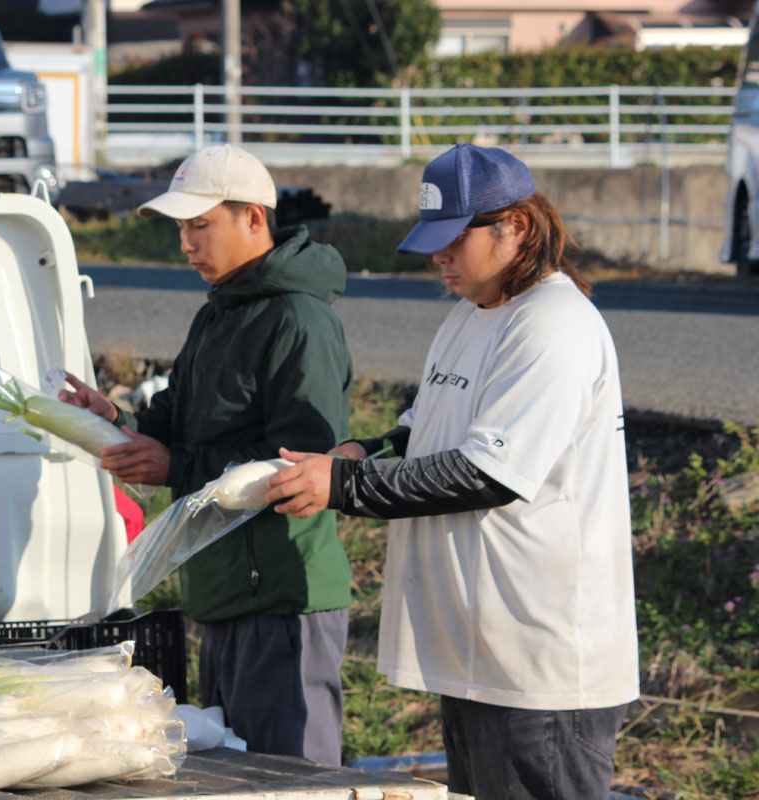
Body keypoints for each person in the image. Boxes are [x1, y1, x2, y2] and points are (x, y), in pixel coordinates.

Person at [267, 143, 639, 799]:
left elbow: (489, 474)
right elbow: (424, 432)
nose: (439, 256)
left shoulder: (553, 325)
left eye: (455, 238)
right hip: (480, 653)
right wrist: (360, 454)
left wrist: (344, 487)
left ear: (516, 225)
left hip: (540, 667)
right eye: (431, 240)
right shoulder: (470, 315)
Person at [61, 144, 353, 765]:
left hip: (281, 595)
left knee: (292, 780)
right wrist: (113, 420)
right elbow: (176, 422)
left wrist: (175, 468)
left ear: (254, 218)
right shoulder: (216, 313)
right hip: (220, 590)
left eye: (200, 225)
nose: (186, 244)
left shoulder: (299, 320)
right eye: (180, 229)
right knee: (238, 776)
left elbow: (301, 464)